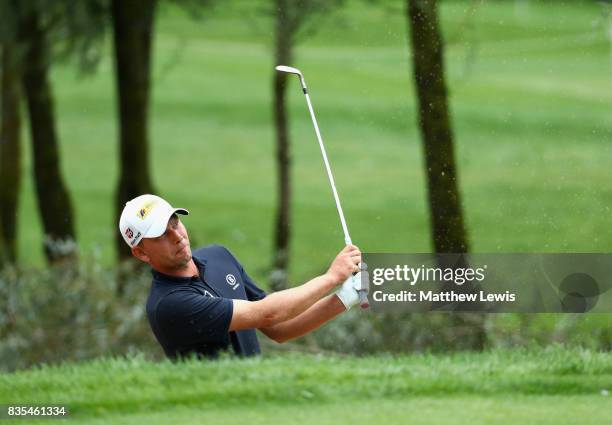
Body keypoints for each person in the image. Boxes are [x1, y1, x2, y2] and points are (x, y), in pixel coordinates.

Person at [119, 194, 363, 359]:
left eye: (175, 223)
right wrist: (331, 277)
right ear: (140, 252)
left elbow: (278, 328)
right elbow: (268, 313)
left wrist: (346, 297)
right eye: (161, 234)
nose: (177, 236)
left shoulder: (218, 256)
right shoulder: (169, 304)